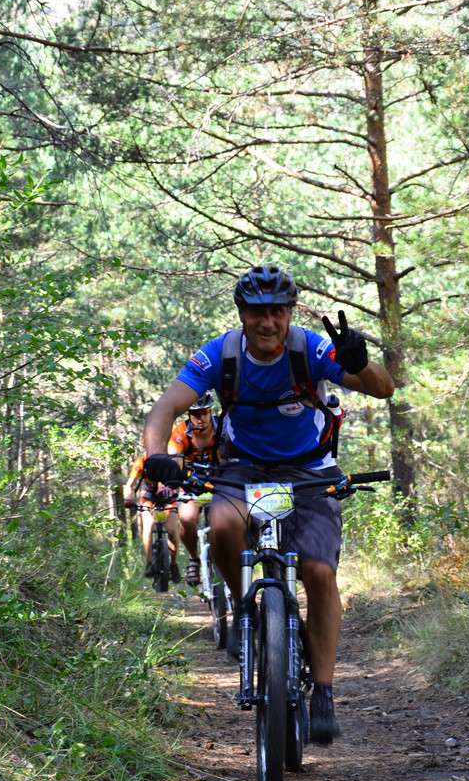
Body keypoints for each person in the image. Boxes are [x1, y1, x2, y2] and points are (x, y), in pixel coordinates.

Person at [142, 264, 394, 744]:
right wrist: (156, 453)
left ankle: (322, 690)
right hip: (243, 468)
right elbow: (165, 407)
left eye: (277, 312)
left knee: (319, 572)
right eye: (256, 313)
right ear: (241, 313)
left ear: (290, 312)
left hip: (310, 471)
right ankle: (244, 609)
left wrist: (359, 363)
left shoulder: (311, 349)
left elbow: (384, 389)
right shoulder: (221, 354)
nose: (267, 323)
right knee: (220, 522)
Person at [166, 393, 217, 586]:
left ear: (210, 410)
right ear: (188, 414)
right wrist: (172, 475)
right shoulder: (181, 431)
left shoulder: (222, 427)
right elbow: (172, 456)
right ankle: (194, 558)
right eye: (195, 414)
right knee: (187, 518)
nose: (201, 418)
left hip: (221, 483)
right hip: (192, 484)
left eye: (204, 412)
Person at [123, 453, 181, 584]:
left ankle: (173, 564)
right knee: (148, 527)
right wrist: (128, 498)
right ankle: (149, 563)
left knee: (172, 529)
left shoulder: (174, 459)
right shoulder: (141, 461)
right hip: (149, 495)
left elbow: (182, 480)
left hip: (169, 495)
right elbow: (129, 485)